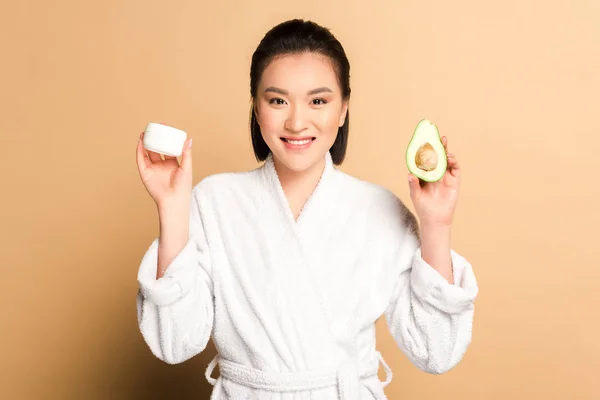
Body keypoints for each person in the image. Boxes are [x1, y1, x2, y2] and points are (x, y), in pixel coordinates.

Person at [135, 18, 479, 400]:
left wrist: (436, 223)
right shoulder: (212, 202)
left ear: (344, 109)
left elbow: (438, 349)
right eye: (278, 100)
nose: (297, 122)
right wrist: (171, 208)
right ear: (256, 107)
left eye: (318, 101)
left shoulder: (380, 210)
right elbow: (175, 343)